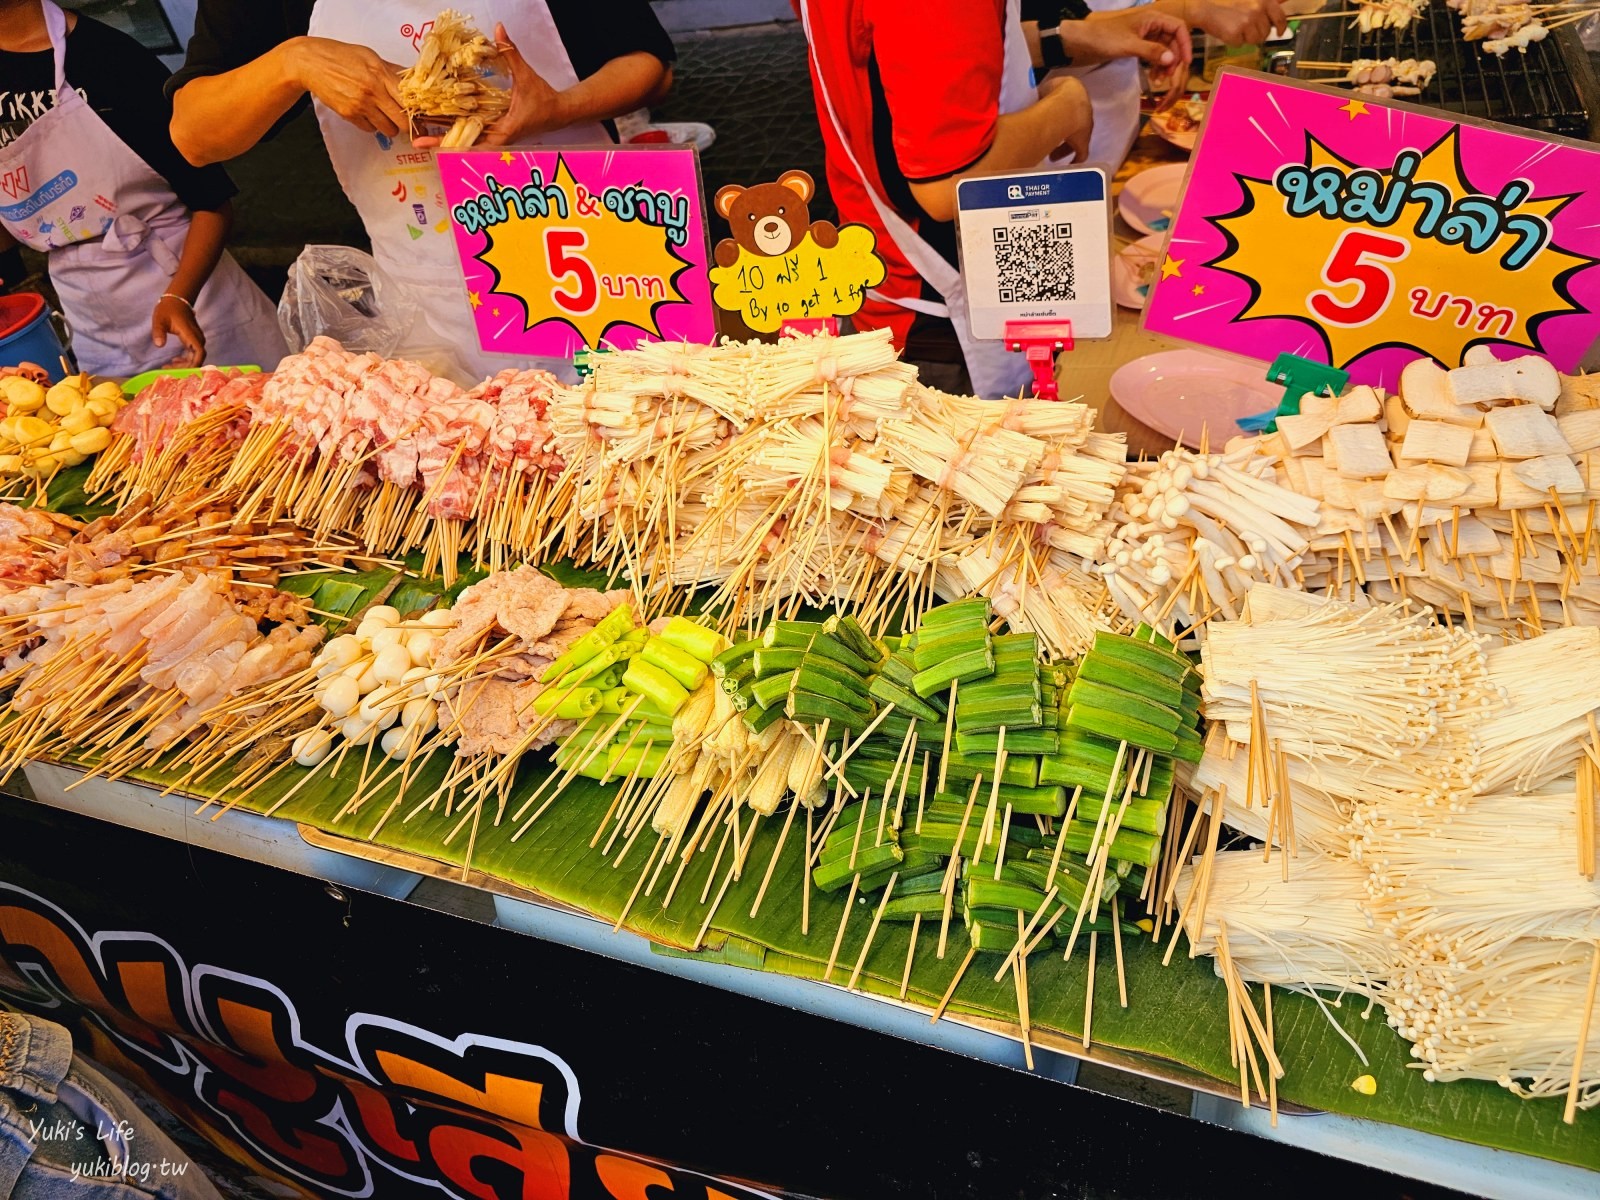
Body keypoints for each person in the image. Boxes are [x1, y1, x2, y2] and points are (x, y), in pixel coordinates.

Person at [166, 2, 676, 382]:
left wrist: (559, 108)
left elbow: (649, 65)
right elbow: (194, 136)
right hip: (432, 299)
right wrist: (291, 63)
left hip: (601, 264)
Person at [795, 0, 1192, 398]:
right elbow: (946, 183)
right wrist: (1066, 109)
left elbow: (903, 61)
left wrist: (1073, 36)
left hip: (887, 285)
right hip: (945, 322)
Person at [0, 1, 286, 378]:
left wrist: (179, 296)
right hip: (90, 321)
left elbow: (212, 202)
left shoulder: (108, 57)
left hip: (195, 298)